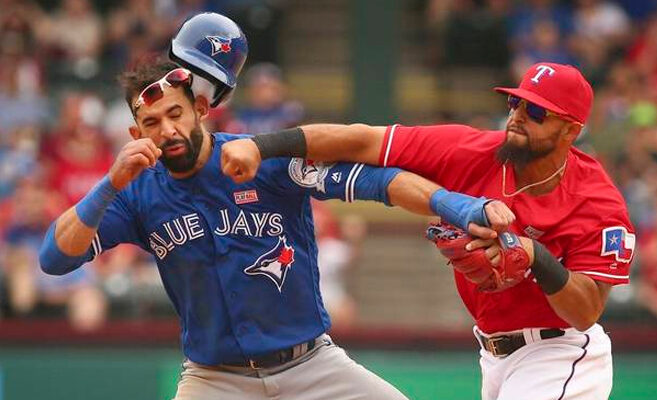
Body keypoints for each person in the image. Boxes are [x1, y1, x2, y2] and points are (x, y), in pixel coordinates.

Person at [39, 13, 516, 400]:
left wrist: (458, 206)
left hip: (312, 367)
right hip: (215, 379)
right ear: (135, 133)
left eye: (175, 113)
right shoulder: (135, 193)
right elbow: (54, 258)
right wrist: (109, 183)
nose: (167, 130)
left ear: (201, 110)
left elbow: (378, 182)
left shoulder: (258, 158)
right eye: (151, 123)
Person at [222, 62, 636, 400]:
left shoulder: (597, 203)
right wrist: (261, 146)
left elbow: (585, 312)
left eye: (537, 112)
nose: (518, 117)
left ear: (571, 130)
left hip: (560, 352)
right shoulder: (472, 151)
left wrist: (535, 256)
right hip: (494, 355)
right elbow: (362, 141)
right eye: (516, 103)